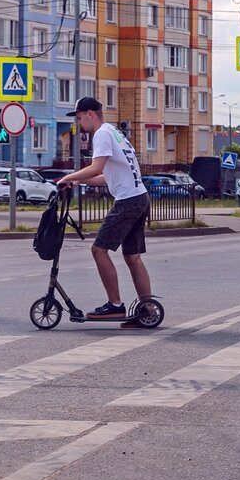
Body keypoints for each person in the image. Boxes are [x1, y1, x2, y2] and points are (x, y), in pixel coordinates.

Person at [57, 97, 155, 328]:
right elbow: (108, 176)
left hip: (128, 201)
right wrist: (78, 183)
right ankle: (147, 309)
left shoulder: (101, 134)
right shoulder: (116, 133)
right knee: (132, 257)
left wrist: (67, 178)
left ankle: (115, 304)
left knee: (99, 250)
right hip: (139, 196)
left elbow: (96, 167)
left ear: (90, 114)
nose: (80, 123)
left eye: (80, 117)